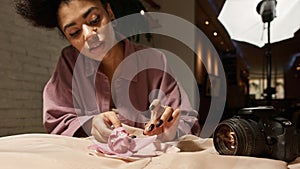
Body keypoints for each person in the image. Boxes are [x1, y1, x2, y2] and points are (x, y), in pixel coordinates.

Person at [15, 0, 200, 143]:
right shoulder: (69, 63)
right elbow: (56, 120)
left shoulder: (153, 60)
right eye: (74, 32)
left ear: (109, 12)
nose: (89, 34)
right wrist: (90, 124)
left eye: (94, 20)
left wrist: (172, 131)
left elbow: (185, 119)